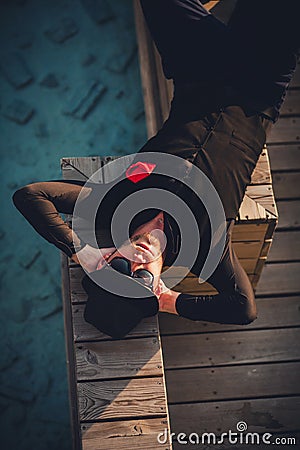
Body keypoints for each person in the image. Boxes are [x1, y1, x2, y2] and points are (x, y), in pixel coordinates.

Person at [13, 0, 300, 338]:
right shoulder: (205, 248)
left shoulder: (112, 206)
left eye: (121, 267)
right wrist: (167, 300)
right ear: (153, 284)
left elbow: (31, 195)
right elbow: (243, 308)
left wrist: (83, 253)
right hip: (258, 87)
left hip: (199, 72)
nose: (136, 261)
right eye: (140, 277)